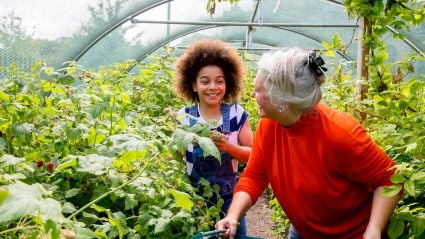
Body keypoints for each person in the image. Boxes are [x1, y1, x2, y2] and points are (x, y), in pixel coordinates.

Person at [215, 47, 401, 239]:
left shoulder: (341, 133)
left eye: (259, 90)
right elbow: (254, 176)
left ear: (282, 102)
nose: (252, 94)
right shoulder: (269, 125)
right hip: (303, 231)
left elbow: (390, 180)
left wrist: (374, 230)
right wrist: (233, 215)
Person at [172, 39, 254, 236]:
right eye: (205, 81)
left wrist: (229, 148)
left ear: (228, 83)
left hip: (229, 199)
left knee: (234, 235)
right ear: (193, 85)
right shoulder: (185, 117)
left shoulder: (237, 114)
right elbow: (174, 157)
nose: (213, 87)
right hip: (195, 199)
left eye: (219, 81)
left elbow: (255, 156)